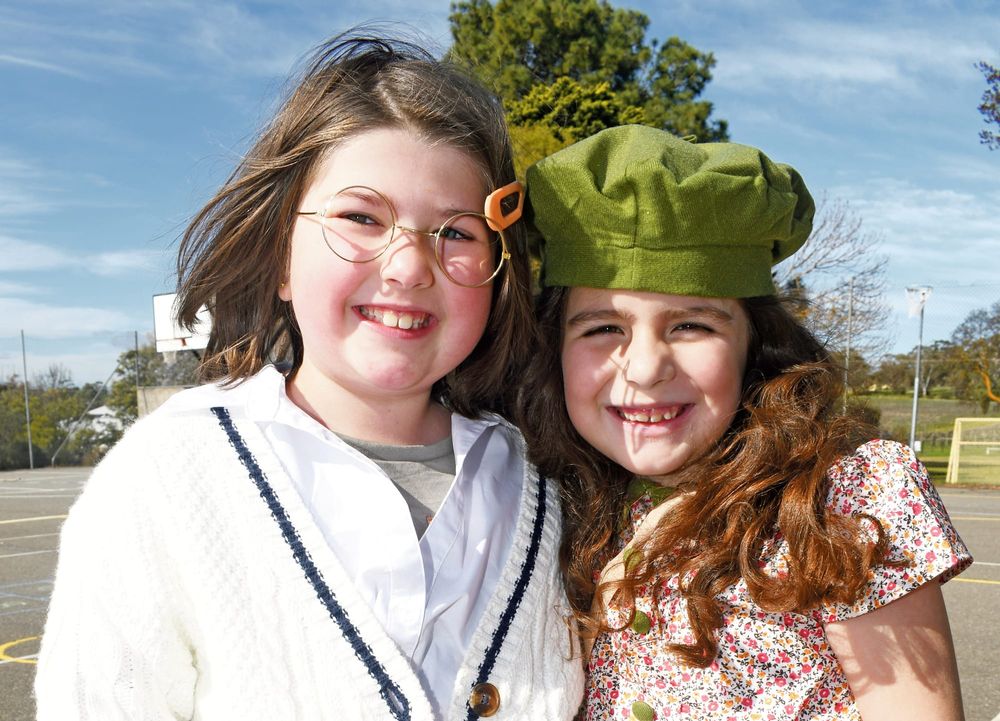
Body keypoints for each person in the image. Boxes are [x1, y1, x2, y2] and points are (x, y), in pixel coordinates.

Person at [35, 33, 584, 721]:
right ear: (281, 260)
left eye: (456, 232)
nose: (409, 265)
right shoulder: (167, 477)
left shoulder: (548, 485)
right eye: (360, 217)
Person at [519, 124, 971, 721]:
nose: (646, 368)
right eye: (603, 328)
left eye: (691, 326)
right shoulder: (559, 506)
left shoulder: (842, 500)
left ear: (755, 346)